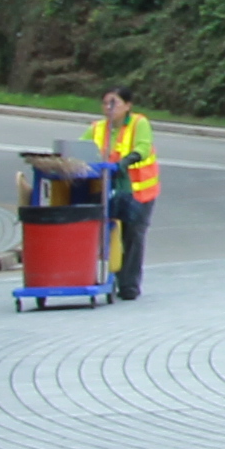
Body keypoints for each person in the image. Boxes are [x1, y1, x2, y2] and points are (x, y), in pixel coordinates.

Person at [85, 85, 159, 301]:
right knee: (108, 232)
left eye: (114, 102)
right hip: (110, 189)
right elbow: (80, 147)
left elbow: (144, 147)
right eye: (105, 103)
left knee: (133, 234)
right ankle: (108, 277)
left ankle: (129, 285)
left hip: (139, 191)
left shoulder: (139, 123)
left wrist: (126, 162)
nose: (109, 108)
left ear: (128, 106)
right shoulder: (98, 128)